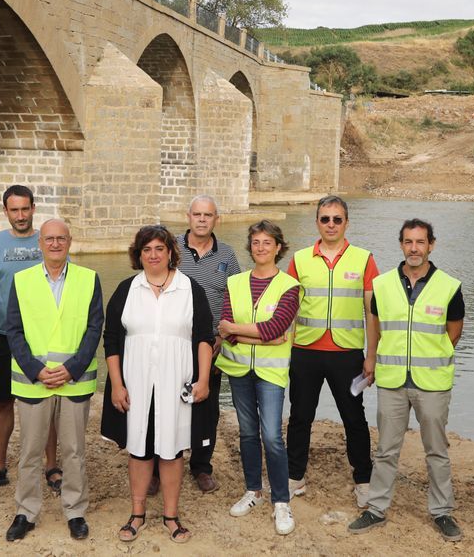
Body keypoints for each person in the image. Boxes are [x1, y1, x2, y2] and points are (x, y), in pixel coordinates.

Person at [347, 219, 465, 542]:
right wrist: (371, 358)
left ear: (431, 245)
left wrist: (428, 355)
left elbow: (453, 333)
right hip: (392, 381)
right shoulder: (383, 285)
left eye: (420, 242)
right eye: (408, 242)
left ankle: (442, 512)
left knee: (437, 450)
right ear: (401, 245)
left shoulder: (450, 286)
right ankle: (376, 508)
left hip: (432, 383)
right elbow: (376, 326)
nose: (414, 248)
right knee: (386, 449)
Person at [101, 225, 215, 544]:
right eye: (146, 249)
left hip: (175, 382)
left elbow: (204, 337)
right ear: (138, 255)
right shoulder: (127, 289)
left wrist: (203, 379)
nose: (153, 255)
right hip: (136, 383)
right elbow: (111, 340)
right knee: (139, 448)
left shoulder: (190, 289)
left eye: (159, 249)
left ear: (170, 252)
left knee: (171, 449)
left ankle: (171, 516)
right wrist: (116, 384)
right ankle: (137, 514)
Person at [4, 219, 104, 542]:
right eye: (50, 238)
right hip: (34, 381)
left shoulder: (89, 279)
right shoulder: (21, 281)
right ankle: (26, 511)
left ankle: (75, 510)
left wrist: (72, 368)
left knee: (74, 450)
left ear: (70, 241)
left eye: (62, 238)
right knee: (30, 451)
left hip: (74, 381)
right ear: (40, 244)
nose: (56, 244)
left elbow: (93, 329)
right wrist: (35, 369)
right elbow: (14, 330)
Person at [285, 195, 378, 507]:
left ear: (347, 222)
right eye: (325, 219)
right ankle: (295, 476)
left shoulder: (364, 259)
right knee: (300, 416)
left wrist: (371, 356)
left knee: (354, 418)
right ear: (317, 223)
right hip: (305, 350)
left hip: (347, 353)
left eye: (337, 219)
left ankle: (363, 479)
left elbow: (371, 313)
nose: (331, 225)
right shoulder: (299, 259)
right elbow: (288, 310)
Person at [0, 185, 60, 497]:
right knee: (3, 401)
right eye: (14, 210)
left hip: (41, 336)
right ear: (5, 211)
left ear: (34, 208)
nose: (20, 216)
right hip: (2, 335)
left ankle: (51, 465)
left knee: (45, 401)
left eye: (25, 209)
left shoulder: (48, 239)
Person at [216, 220, 300, 536]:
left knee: (273, 437)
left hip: (270, 373)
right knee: (248, 433)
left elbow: (275, 329)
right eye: (256, 242)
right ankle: (253, 491)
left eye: (267, 242)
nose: (261, 248)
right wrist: (253, 336)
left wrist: (238, 331)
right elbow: (226, 329)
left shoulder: (289, 286)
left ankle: (281, 501)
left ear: (278, 247)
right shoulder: (234, 282)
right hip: (239, 370)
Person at [156, 194, 241, 494]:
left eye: (208, 215)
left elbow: (235, 298)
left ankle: (201, 466)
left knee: (206, 408)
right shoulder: (171, 248)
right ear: (188, 217)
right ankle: (158, 464)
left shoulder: (227, 256)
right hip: (172, 342)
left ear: (216, 219)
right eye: (197, 214)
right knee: (165, 403)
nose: (202, 220)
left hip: (212, 345)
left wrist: (223, 337)